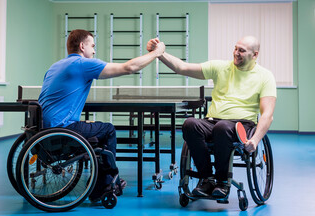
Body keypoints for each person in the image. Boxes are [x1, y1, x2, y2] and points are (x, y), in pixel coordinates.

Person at [38, 29, 165, 202]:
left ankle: (100, 182)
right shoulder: (82, 64)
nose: (94, 51)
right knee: (108, 130)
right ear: (82, 46)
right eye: (92, 46)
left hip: (43, 133)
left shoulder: (55, 66)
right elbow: (129, 67)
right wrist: (157, 53)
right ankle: (104, 186)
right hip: (63, 130)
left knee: (95, 130)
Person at [147, 36, 276, 199]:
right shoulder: (220, 67)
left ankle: (222, 182)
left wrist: (256, 140)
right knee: (190, 124)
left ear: (255, 55)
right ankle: (206, 179)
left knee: (223, 127)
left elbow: (267, 115)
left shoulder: (265, 76)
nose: (236, 53)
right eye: (235, 48)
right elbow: (182, 67)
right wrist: (160, 54)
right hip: (213, 122)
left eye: (241, 51)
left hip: (242, 126)